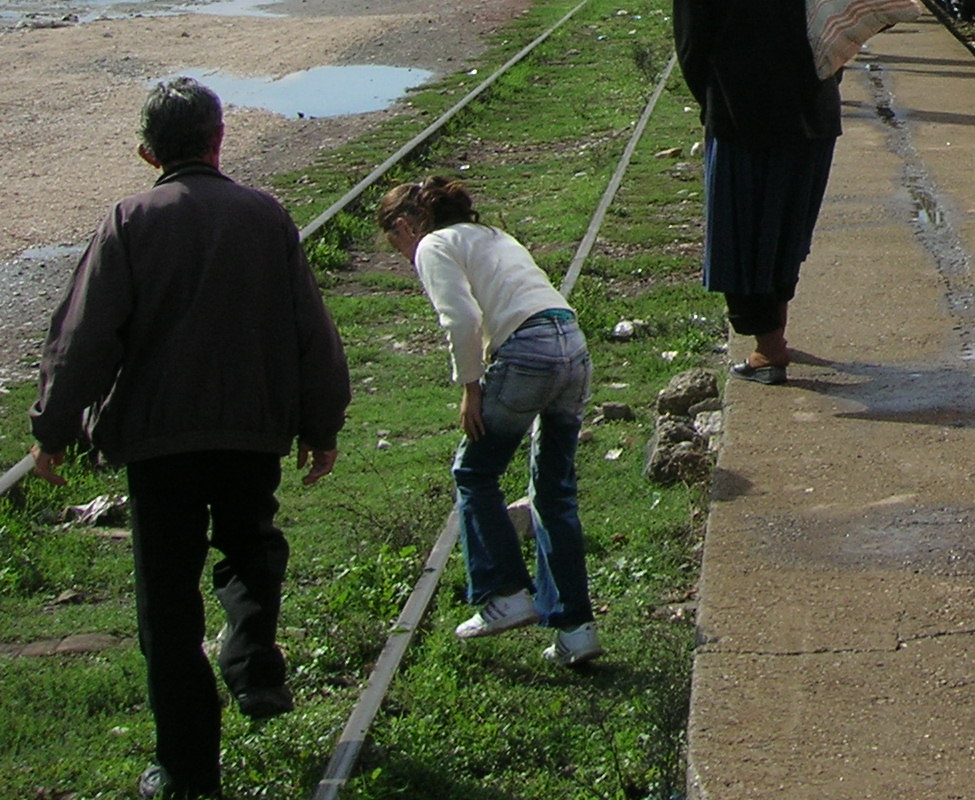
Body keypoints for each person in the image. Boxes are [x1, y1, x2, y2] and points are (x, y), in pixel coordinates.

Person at [28, 77, 349, 800]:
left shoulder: (130, 222)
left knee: (167, 607)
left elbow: (83, 341)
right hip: (250, 433)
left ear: (147, 152)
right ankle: (252, 659)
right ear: (219, 138)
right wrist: (321, 423)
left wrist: (53, 430)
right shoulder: (265, 217)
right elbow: (312, 333)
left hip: (157, 444)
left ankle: (187, 769)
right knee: (252, 545)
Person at [377, 174, 599, 667]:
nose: (401, 254)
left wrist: (470, 389)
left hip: (527, 356)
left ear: (407, 223)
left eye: (396, 241)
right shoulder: (495, 236)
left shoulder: (434, 244)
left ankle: (505, 592)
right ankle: (576, 628)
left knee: (474, 473)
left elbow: (461, 320)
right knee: (554, 491)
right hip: (572, 345)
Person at [667, 0, 843, 384]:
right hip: (812, 112)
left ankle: (769, 350)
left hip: (746, 123)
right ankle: (778, 336)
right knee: (786, 227)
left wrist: (713, 108)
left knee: (741, 236)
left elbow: (692, 54)